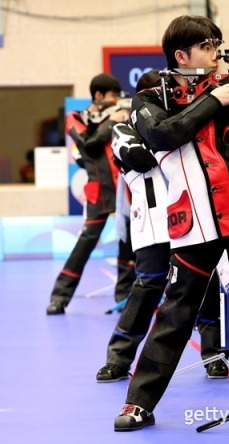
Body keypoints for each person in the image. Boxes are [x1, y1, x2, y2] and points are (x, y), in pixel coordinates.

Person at [113, 15, 229, 431]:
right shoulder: (152, 96)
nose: (216, 54)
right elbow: (162, 136)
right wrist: (215, 100)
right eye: (209, 46)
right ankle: (138, 403)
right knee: (175, 311)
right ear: (182, 55)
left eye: (218, 46)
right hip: (191, 220)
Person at [97, 70, 229, 382]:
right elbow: (139, 158)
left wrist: (176, 126)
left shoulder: (183, 125)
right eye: (160, 94)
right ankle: (118, 358)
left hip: (193, 217)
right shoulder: (123, 130)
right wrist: (166, 132)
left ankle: (213, 354)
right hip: (154, 225)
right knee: (147, 289)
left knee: (205, 285)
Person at [46, 74, 136, 315]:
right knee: (83, 248)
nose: (116, 100)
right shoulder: (75, 117)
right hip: (98, 194)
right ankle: (59, 297)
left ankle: (123, 298)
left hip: (124, 192)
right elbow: (90, 144)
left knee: (128, 247)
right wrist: (111, 121)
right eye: (111, 96)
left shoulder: (121, 115)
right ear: (98, 95)